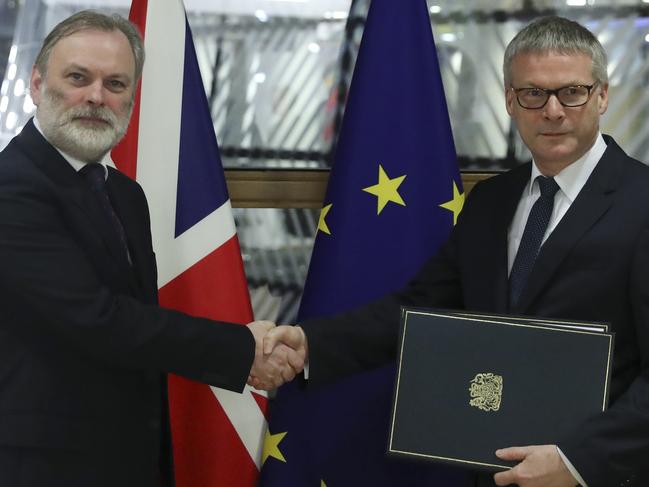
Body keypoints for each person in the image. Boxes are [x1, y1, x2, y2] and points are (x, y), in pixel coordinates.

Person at [263, 15, 649, 487]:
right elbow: (418, 308)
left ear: (602, 95)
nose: (552, 111)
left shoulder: (642, 203)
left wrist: (577, 462)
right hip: (486, 467)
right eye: (533, 93)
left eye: (572, 92)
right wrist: (312, 344)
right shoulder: (490, 202)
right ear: (510, 100)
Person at [0, 11, 302, 487]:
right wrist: (243, 349)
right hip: (44, 464)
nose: (97, 96)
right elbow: (98, 319)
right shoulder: (10, 189)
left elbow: (137, 316)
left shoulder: (124, 194)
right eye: (78, 77)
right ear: (37, 84)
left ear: (132, 99)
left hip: (132, 454)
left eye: (116, 83)